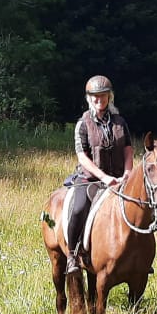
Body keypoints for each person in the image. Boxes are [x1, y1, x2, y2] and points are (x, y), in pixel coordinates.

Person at [60, 75, 135, 274]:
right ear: (89, 98)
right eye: (95, 96)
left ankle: (140, 257)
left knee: (141, 207)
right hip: (90, 179)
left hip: (119, 178)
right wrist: (104, 177)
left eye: (102, 95)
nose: (98, 99)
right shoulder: (83, 124)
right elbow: (82, 157)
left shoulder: (120, 122)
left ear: (109, 97)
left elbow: (128, 150)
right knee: (78, 209)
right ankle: (72, 256)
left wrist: (127, 173)